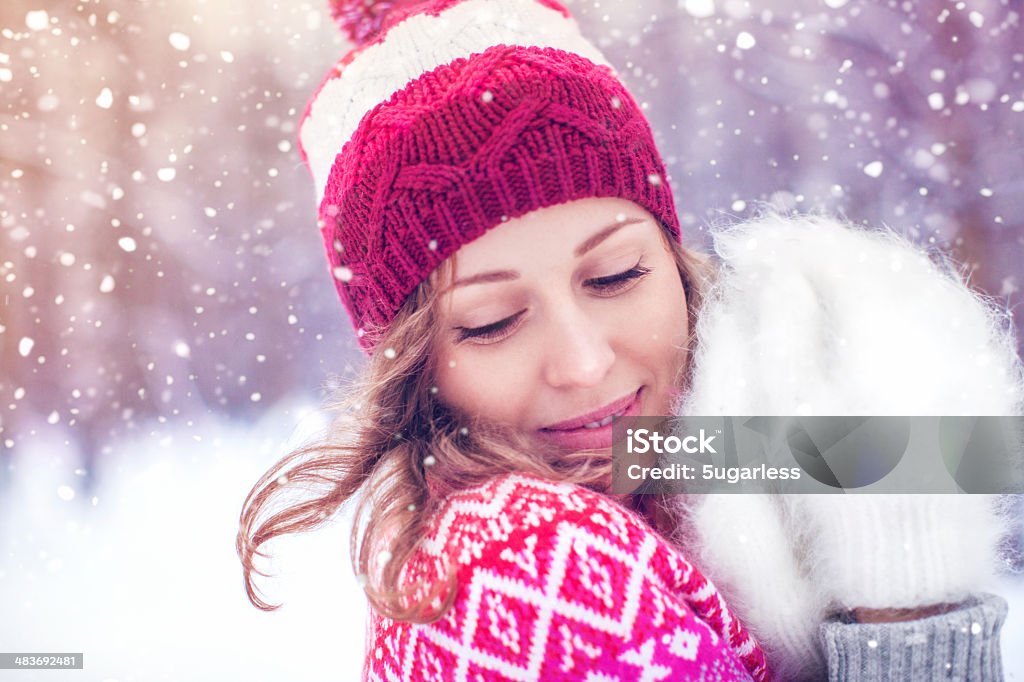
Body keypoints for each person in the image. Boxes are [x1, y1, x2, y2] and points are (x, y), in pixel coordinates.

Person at [235, 0, 1023, 679]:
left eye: (614, 276)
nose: (584, 363)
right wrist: (910, 605)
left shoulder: (678, 455)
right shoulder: (526, 564)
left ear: (676, 263)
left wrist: (913, 447)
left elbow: (959, 459)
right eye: (492, 323)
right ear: (414, 367)